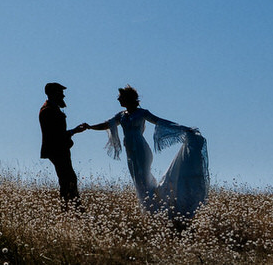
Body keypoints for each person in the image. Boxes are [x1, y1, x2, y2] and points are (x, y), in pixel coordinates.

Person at [82, 85, 209, 218]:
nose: (118, 99)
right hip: (130, 152)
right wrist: (90, 127)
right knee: (139, 181)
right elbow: (106, 124)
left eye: (120, 97)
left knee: (143, 179)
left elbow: (160, 121)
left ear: (128, 98)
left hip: (141, 149)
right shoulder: (121, 116)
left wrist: (183, 128)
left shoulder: (142, 113)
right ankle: (152, 209)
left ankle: (155, 209)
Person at [38, 82, 85, 202]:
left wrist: (73, 132)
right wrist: (73, 132)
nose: (63, 96)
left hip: (59, 149)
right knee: (68, 180)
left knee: (67, 180)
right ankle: (74, 210)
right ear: (53, 94)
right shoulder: (48, 110)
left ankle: (71, 210)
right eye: (61, 93)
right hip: (57, 150)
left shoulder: (51, 109)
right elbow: (55, 135)